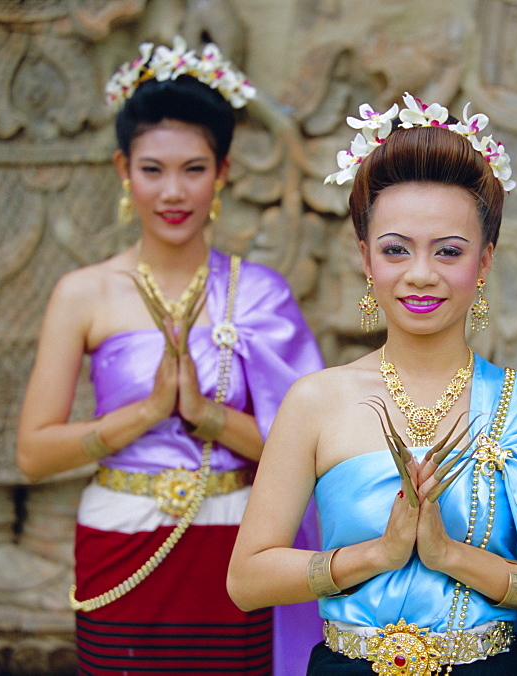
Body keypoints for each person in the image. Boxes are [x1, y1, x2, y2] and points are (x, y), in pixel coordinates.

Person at [227, 93, 517, 675]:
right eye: (396, 250)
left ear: (484, 261)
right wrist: (376, 555)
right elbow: (247, 579)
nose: (421, 274)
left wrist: (449, 556)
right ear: (365, 259)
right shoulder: (317, 403)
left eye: (448, 251)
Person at [16, 37, 324, 675]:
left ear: (224, 173)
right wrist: (150, 411)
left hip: (238, 542)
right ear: (122, 170)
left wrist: (206, 417)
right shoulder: (84, 293)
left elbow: (311, 451)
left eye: (194, 168)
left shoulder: (260, 293)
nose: (173, 191)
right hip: (120, 539)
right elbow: (33, 453)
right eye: (152, 169)